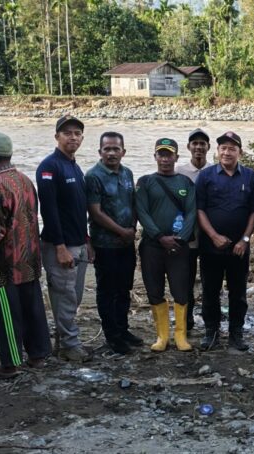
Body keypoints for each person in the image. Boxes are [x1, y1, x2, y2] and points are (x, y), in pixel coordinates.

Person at [0, 132, 52, 379]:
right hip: (29, 258)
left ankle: (10, 363)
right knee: (31, 308)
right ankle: (38, 354)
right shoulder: (24, 179)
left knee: (6, 312)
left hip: (5, 264)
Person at [195, 131, 254, 351]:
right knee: (210, 291)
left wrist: (245, 239)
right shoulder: (206, 176)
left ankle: (236, 333)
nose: (227, 152)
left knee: (238, 293)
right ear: (217, 151)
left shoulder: (250, 176)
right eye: (223, 148)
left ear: (240, 152)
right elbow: (199, 210)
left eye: (232, 148)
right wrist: (213, 236)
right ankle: (211, 332)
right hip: (210, 246)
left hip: (239, 248)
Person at [37, 115, 91, 362]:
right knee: (64, 296)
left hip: (78, 243)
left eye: (77, 133)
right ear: (56, 136)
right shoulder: (49, 167)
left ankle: (63, 340)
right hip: (60, 245)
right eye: (67, 133)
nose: (73, 137)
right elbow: (48, 210)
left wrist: (87, 240)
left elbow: (79, 208)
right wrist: (60, 247)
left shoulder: (74, 166)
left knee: (74, 296)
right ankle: (70, 345)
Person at [85, 131, 144, 354]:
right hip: (105, 245)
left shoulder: (127, 173)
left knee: (124, 288)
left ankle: (123, 329)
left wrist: (133, 228)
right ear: (99, 151)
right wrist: (121, 231)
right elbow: (95, 212)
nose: (111, 153)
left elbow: (133, 203)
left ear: (123, 151)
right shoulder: (93, 176)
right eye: (107, 149)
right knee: (107, 291)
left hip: (126, 243)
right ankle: (112, 336)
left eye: (115, 149)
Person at [136, 138, 196, 352]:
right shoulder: (145, 182)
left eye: (169, 154)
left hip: (179, 247)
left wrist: (180, 239)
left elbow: (192, 212)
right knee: (154, 290)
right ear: (155, 156)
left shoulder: (186, 183)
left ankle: (180, 335)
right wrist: (160, 236)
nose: (165, 159)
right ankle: (162, 336)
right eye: (161, 154)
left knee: (181, 290)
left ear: (176, 157)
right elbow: (142, 212)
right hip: (152, 246)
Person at [176, 128, 213, 331]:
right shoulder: (179, 171)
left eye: (202, 144)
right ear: (188, 147)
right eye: (195, 143)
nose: (198, 147)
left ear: (208, 147)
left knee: (210, 281)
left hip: (209, 234)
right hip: (187, 235)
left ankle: (209, 321)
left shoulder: (215, 171)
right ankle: (186, 320)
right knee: (186, 279)